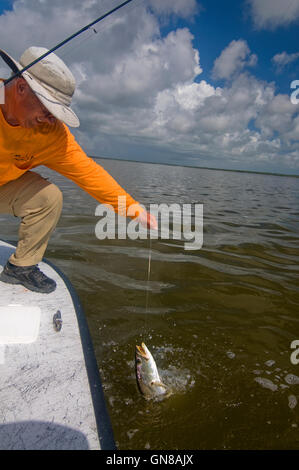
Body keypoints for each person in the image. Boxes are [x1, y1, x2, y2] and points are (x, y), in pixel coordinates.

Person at [0, 46, 157, 294]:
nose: (52, 119)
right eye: (47, 109)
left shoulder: (52, 135)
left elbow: (90, 174)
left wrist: (133, 209)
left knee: (49, 198)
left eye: (56, 112)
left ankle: (21, 267)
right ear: (20, 88)